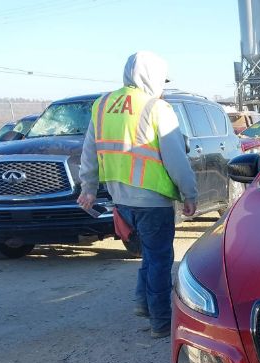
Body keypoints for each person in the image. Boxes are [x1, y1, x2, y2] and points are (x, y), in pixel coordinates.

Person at [78, 51, 197, 338]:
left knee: (149, 256)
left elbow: (89, 151)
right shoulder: (157, 109)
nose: (163, 86)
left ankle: (142, 303)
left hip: (121, 199)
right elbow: (175, 159)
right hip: (152, 200)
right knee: (159, 260)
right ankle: (160, 322)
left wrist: (88, 188)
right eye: (161, 79)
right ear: (151, 76)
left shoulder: (102, 105)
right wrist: (189, 193)